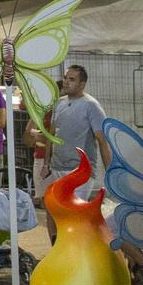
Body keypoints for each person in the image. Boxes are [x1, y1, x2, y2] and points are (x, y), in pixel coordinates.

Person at [38, 64, 109, 240]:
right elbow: (51, 135)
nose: (66, 82)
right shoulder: (59, 104)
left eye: (72, 79)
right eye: (65, 78)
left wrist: (111, 173)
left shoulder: (91, 106)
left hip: (79, 171)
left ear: (82, 84)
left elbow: (102, 141)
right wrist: (46, 164)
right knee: (54, 210)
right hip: (57, 168)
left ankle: (78, 250)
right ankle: (57, 248)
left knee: (73, 214)